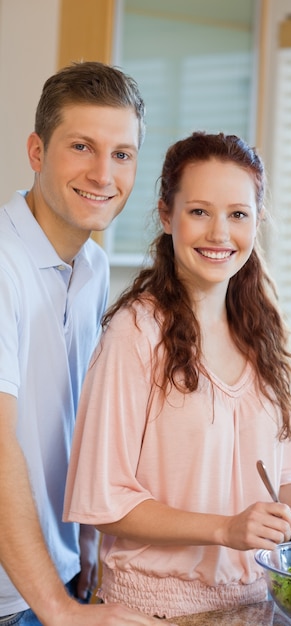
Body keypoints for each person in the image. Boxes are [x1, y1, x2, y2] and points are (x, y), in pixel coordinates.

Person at [63, 131, 291, 619]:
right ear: (166, 216)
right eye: (199, 211)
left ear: (256, 222)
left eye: (238, 215)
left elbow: (272, 492)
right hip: (150, 611)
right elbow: (105, 501)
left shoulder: (262, 334)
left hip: (251, 605)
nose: (220, 234)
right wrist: (224, 528)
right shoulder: (135, 333)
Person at [0, 61, 177, 626]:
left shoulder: (95, 266)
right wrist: (56, 608)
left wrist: (87, 550)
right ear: (36, 150)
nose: (104, 174)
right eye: (81, 146)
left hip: (57, 576)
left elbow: (72, 417)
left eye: (122, 154)